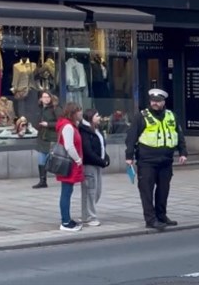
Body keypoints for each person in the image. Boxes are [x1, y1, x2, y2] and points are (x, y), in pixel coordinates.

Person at [125, 88, 188, 231]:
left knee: (163, 190)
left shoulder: (171, 116)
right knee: (146, 191)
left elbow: (179, 135)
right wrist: (129, 157)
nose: (155, 103)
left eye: (158, 101)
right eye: (153, 101)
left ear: (163, 102)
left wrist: (183, 152)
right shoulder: (141, 116)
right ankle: (150, 219)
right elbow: (131, 138)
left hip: (166, 160)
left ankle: (161, 216)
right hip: (147, 161)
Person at [56, 102, 85, 232]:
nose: (81, 113)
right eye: (79, 111)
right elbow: (69, 146)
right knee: (66, 192)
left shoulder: (69, 125)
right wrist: (78, 159)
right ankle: (65, 221)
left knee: (67, 191)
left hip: (69, 163)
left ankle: (67, 218)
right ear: (73, 113)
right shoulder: (68, 126)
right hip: (69, 163)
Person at [80, 109, 110, 227]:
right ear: (90, 117)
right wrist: (100, 161)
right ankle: (90, 216)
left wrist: (105, 157)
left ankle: (86, 214)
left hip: (97, 164)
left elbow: (101, 146)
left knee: (97, 191)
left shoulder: (97, 130)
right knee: (90, 192)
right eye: (97, 115)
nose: (99, 117)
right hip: (89, 164)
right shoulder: (85, 131)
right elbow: (88, 151)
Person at [32, 91, 62, 189]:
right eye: (44, 97)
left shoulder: (55, 108)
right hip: (42, 137)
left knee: (55, 159)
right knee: (41, 159)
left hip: (51, 138)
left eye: (48, 97)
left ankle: (66, 176)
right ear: (40, 99)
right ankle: (42, 181)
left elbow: (61, 123)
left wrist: (48, 124)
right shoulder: (40, 109)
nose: (46, 99)